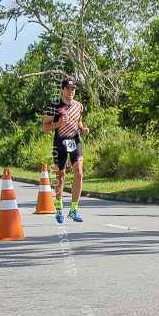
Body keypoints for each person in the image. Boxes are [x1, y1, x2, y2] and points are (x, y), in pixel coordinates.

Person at [42, 77, 90, 223]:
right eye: (68, 89)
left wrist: (83, 129)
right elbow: (44, 128)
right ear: (62, 90)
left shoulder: (79, 106)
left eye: (73, 89)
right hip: (60, 143)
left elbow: (79, 121)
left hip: (75, 141)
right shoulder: (54, 106)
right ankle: (59, 207)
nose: (71, 92)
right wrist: (58, 123)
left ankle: (74, 210)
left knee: (79, 173)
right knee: (61, 175)